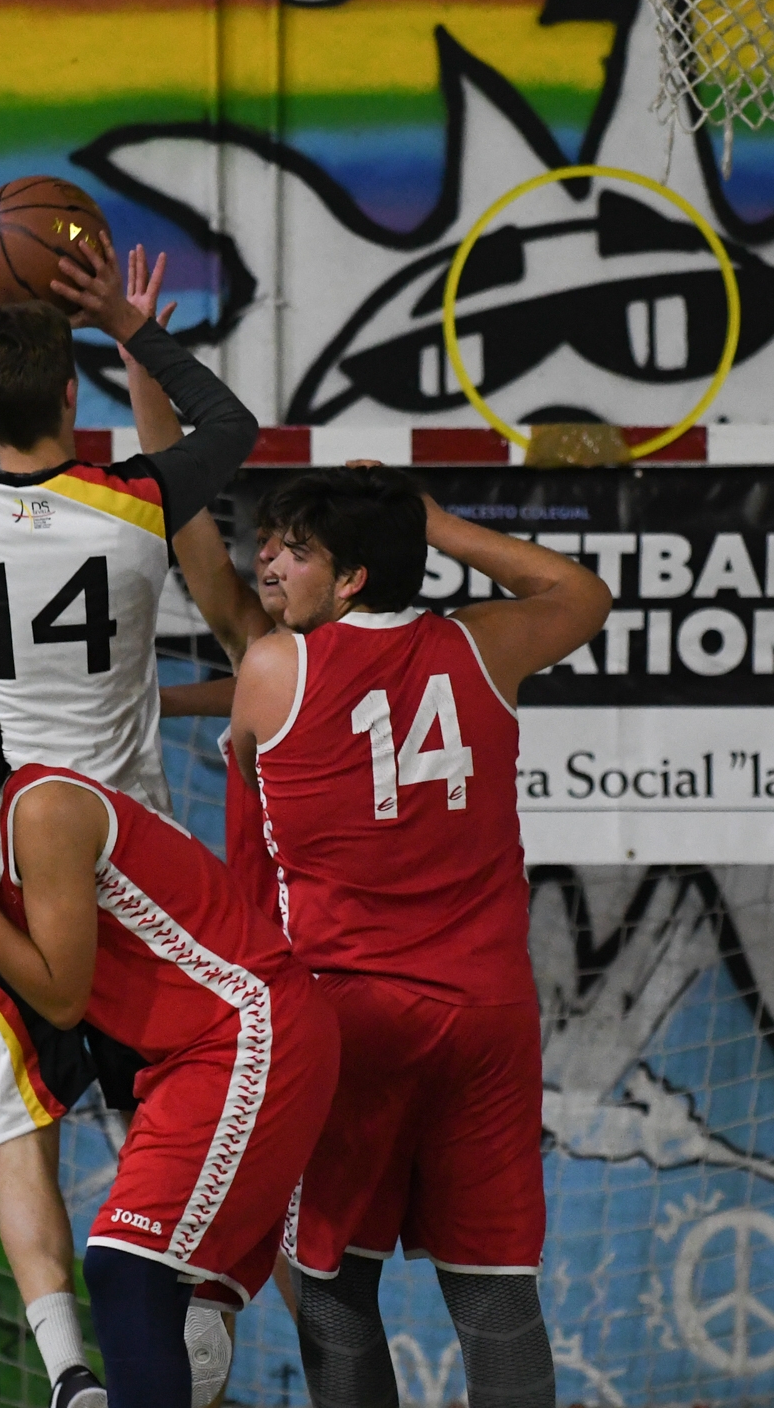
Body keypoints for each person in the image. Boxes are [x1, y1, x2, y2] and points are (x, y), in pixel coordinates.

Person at [0, 214, 259, 1407]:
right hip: (128, 867)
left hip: (2, 857)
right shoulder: (136, 503)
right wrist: (129, 324)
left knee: (21, 1137)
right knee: (179, 1100)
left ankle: (67, 1374)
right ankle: (196, 1298)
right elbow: (230, 431)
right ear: (70, 389)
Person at [0, 671, 340, 1408]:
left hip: (251, 1030)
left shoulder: (43, 812)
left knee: (126, 1266)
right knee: (181, 1316)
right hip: (191, 1059)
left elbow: (62, 999)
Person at [228, 466, 612, 1408]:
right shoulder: (481, 646)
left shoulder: (275, 668)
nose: (270, 564)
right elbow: (581, 594)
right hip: (487, 1016)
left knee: (330, 1287)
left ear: (350, 577)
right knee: (494, 1293)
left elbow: (245, 765)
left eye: (296, 552)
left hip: (351, 1017)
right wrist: (436, 523)